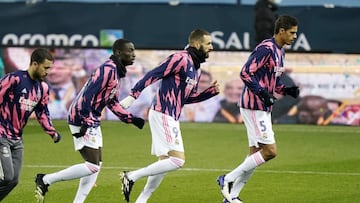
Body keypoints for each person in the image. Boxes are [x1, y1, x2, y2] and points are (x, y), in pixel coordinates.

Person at [34, 39, 145, 203]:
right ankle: (45, 180)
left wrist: (131, 119)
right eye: (130, 50)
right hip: (81, 117)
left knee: (95, 167)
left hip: (90, 118)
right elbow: (88, 95)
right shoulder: (108, 70)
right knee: (92, 165)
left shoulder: (115, 72)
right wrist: (85, 122)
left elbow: (111, 101)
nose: (134, 54)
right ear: (119, 53)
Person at [119, 29, 219, 203]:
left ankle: (141, 200)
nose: (211, 47)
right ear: (196, 44)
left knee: (163, 163)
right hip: (162, 112)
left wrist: (209, 92)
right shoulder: (180, 58)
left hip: (171, 116)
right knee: (178, 161)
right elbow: (153, 74)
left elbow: (186, 98)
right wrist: (133, 95)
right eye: (208, 43)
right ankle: (131, 176)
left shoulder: (196, 68)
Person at [216, 15, 300, 203]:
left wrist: (286, 90)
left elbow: (272, 81)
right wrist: (261, 93)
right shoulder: (266, 48)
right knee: (270, 151)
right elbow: (245, 73)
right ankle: (227, 179)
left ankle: (232, 196)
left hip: (263, 106)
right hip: (254, 105)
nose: (295, 36)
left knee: (255, 154)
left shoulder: (280, 52)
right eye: (292, 33)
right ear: (282, 31)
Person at [0, 48, 62, 201]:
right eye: (46, 67)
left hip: (17, 139)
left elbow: (42, 112)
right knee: (7, 177)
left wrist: (51, 131)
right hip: (1, 134)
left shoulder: (43, 88)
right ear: (35, 64)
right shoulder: (14, 79)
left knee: (14, 181)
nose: (48, 71)